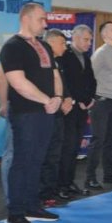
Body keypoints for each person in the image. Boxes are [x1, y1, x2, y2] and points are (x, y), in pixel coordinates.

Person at [0, 3, 63, 223]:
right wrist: (47, 100)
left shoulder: (44, 45)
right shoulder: (12, 47)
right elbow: (18, 83)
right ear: (25, 19)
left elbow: (55, 75)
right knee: (22, 161)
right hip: (25, 113)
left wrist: (58, 97)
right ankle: (15, 212)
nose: (45, 24)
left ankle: (31, 206)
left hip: (46, 112)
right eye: (41, 19)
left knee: (37, 160)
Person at [55, 25, 97, 197]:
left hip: (82, 108)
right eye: (86, 40)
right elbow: (65, 82)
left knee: (74, 148)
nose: (89, 43)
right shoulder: (64, 56)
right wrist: (77, 100)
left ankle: (69, 182)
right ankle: (60, 185)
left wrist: (89, 99)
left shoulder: (86, 57)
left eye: (90, 40)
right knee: (67, 147)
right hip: (69, 108)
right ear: (76, 38)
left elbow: (91, 81)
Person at [86, 21, 112, 185]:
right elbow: (89, 76)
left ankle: (109, 174)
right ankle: (90, 177)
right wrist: (91, 98)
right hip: (101, 100)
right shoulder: (100, 53)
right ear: (104, 35)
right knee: (98, 140)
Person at [42, 29, 75, 205]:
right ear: (51, 42)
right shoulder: (42, 62)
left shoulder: (57, 62)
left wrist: (67, 98)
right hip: (45, 113)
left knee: (55, 154)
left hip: (58, 115)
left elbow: (63, 85)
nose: (65, 47)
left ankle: (51, 190)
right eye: (62, 43)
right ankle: (43, 193)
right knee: (45, 155)